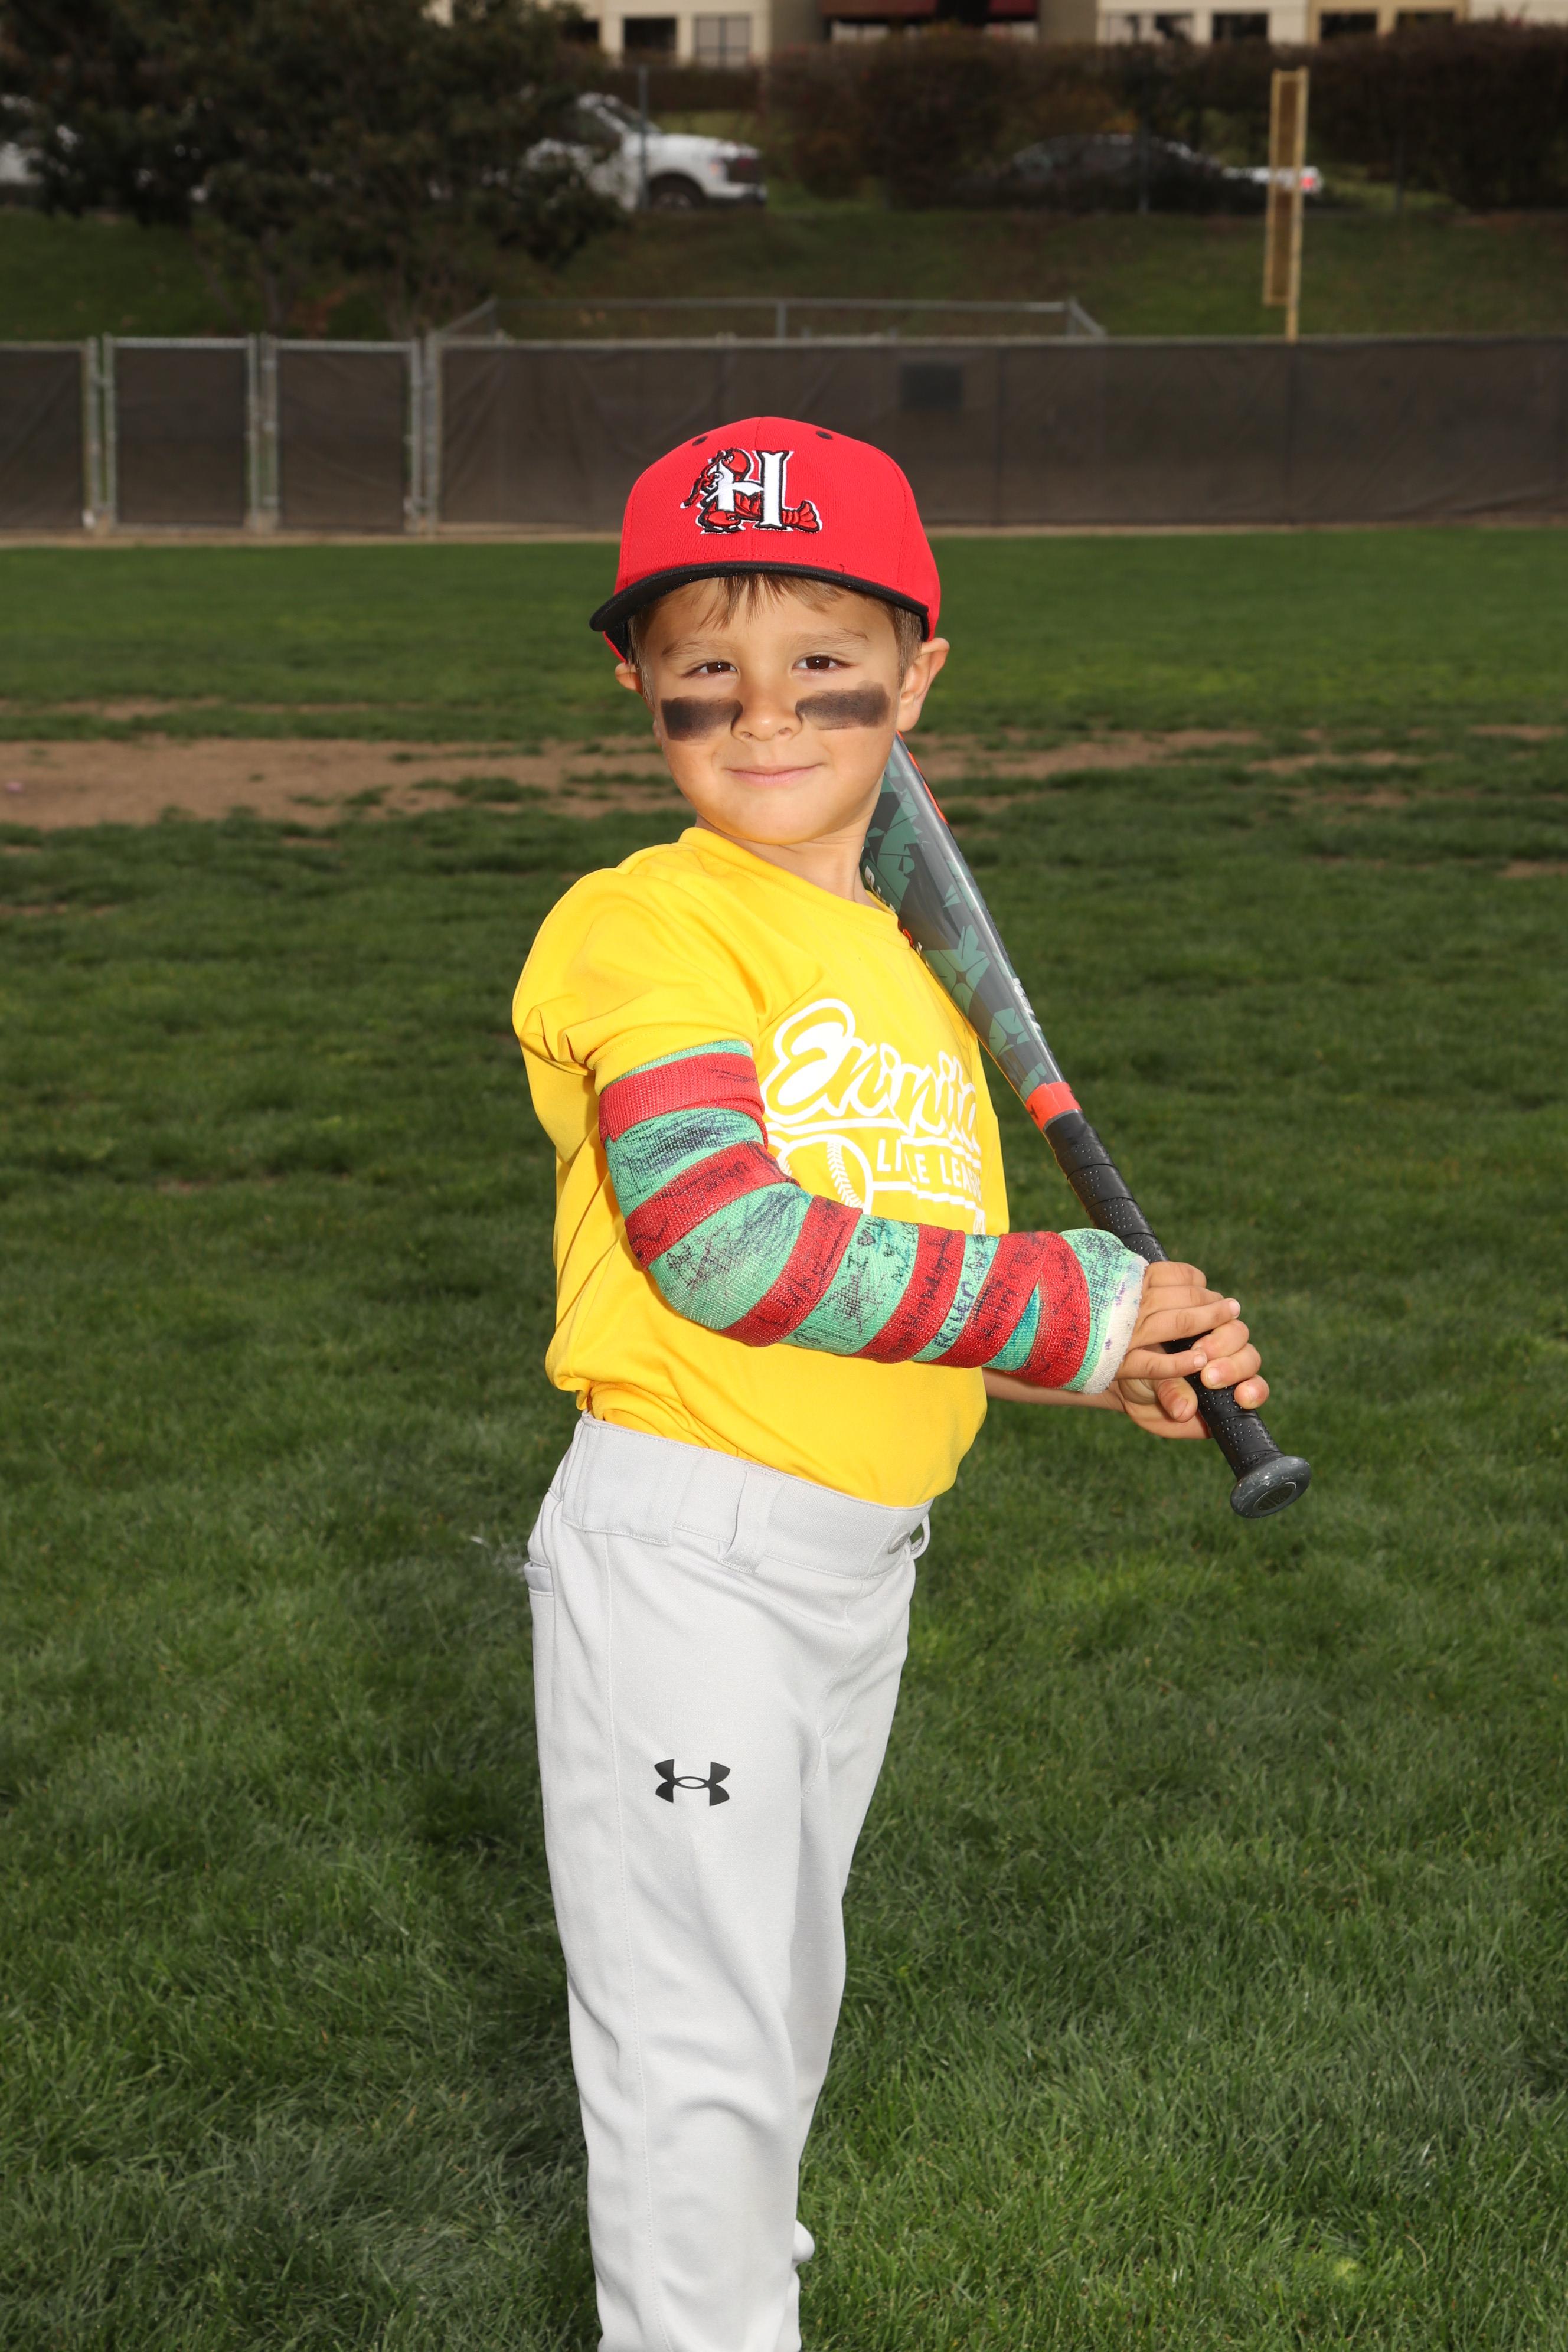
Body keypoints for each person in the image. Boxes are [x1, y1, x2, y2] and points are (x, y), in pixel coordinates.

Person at [512, 419, 1268, 2352]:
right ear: (637, 683)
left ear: (918, 677)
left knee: (775, 2014)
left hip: (854, 1566)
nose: (767, 713)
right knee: (696, 2050)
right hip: (686, 1562)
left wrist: (1106, 1366)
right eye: (708, 670)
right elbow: (728, 1245)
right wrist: (1065, 1302)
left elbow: (897, 1292)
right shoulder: (644, 919)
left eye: (824, 664)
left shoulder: (914, 972)